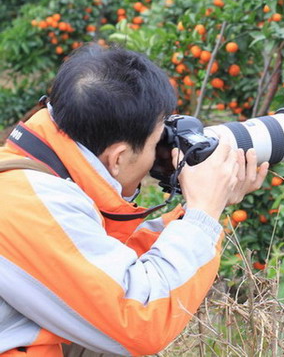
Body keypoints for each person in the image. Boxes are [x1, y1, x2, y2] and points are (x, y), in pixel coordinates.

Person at [0, 44, 269, 356]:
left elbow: (100, 266)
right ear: (118, 158)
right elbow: (139, 319)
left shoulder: (33, 175)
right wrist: (203, 213)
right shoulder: (21, 206)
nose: (160, 153)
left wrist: (201, 208)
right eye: (157, 142)